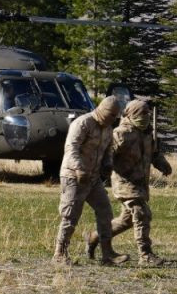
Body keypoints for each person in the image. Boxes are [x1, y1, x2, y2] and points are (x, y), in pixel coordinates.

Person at [91, 98, 172, 266]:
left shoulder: (147, 133)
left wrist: (163, 164)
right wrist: (102, 171)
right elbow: (107, 155)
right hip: (125, 183)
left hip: (141, 183)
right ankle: (146, 255)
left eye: (147, 114)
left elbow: (154, 153)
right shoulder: (121, 134)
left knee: (127, 220)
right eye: (141, 114)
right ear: (131, 114)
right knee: (142, 214)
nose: (146, 117)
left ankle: (95, 236)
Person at [53, 95, 125, 265]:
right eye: (111, 115)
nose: (113, 119)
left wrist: (107, 164)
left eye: (116, 116)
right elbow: (71, 148)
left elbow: (108, 149)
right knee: (70, 215)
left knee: (105, 211)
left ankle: (107, 254)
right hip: (73, 176)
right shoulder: (83, 123)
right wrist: (79, 169)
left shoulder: (107, 128)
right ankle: (60, 254)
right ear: (102, 110)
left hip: (93, 178)